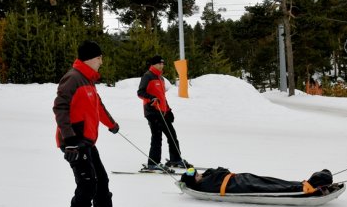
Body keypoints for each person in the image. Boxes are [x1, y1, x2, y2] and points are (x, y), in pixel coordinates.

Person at [53, 40, 133, 207]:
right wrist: (70, 141)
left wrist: (111, 124)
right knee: (87, 185)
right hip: (74, 143)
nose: (102, 61)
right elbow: (60, 108)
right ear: (90, 58)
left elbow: (98, 108)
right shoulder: (73, 78)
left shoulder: (88, 81)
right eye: (99, 57)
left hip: (86, 141)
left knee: (101, 179)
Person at [137, 55, 191, 170]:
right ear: (153, 64)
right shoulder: (148, 76)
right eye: (159, 63)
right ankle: (153, 163)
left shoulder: (161, 79)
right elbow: (140, 92)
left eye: (163, 63)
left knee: (172, 134)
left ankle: (175, 159)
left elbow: (162, 97)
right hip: (152, 111)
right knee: (157, 136)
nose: (162, 65)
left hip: (162, 112)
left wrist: (169, 110)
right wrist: (151, 98)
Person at [180, 167, 333, 195]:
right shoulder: (203, 186)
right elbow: (221, 171)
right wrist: (210, 173)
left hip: (241, 178)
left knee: (273, 180)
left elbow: (222, 170)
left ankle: (305, 184)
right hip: (240, 186)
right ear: (193, 180)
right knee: (271, 188)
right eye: (194, 173)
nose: (197, 173)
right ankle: (307, 189)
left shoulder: (205, 179)